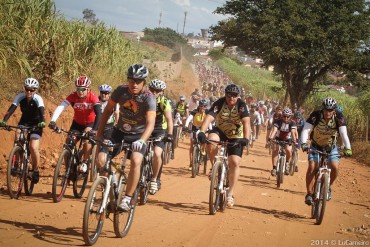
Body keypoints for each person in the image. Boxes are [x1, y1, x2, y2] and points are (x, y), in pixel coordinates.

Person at [96, 64, 156, 211]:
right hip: (119, 132)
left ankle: (127, 199)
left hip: (138, 135)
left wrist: (142, 140)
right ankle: (110, 189)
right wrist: (99, 133)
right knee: (101, 159)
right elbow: (107, 111)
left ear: (144, 82)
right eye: (131, 80)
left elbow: (150, 124)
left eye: (138, 81)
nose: (134, 84)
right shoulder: (121, 91)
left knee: (136, 160)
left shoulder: (149, 98)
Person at [197, 84, 251, 207]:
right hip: (220, 131)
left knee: (235, 162)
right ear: (225, 95)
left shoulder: (241, 105)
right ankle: (215, 168)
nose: (231, 98)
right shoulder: (219, 103)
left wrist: (246, 139)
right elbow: (209, 118)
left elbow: (246, 122)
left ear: (238, 96)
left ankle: (231, 194)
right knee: (211, 140)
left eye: (235, 95)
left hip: (236, 135)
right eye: (229, 95)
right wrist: (201, 131)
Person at [300, 97, 352, 205]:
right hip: (315, 146)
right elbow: (306, 129)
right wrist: (304, 143)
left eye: (330, 110)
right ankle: (309, 194)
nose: (327, 112)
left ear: (334, 110)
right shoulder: (316, 115)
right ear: (322, 109)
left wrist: (348, 148)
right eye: (325, 110)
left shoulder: (339, 117)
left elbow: (343, 134)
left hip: (331, 147)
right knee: (312, 167)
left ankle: (328, 187)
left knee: (334, 167)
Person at [49, 76, 101, 173]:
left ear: (88, 89)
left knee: (86, 140)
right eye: (78, 89)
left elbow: (99, 113)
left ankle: (85, 161)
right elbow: (61, 107)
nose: (80, 91)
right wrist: (53, 121)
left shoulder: (93, 97)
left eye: (83, 89)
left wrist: (94, 129)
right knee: (69, 143)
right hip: (77, 123)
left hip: (90, 123)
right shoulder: (73, 96)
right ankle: (68, 169)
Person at [0, 78, 45, 184]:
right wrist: (4, 121)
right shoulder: (20, 96)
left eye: (32, 90)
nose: (29, 92)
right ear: (24, 88)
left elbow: (42, 113)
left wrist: (42, 122)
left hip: (36, 124)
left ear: (35, 90)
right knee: (17, 136)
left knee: (33, 147)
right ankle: (16, 163)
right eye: (27, 89)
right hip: (24, 122)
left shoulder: (38, 99)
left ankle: (36, 170)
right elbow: (11, 109)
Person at [147, 79, 173, 195]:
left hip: (159, 129)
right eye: (152, 90)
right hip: (145, 127)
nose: (154, 93)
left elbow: (169, 119)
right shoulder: (144, 98)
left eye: (157, 91)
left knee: (157, 153)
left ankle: (154, 179)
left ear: (161, 92)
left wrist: (170, 134)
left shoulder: (164, 101)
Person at [268, 107, 298, 176]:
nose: (286, 118)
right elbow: (274, 130)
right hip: (278, 138)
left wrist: (294, 141)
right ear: (282, 116)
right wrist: (270, 138)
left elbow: (293, 132)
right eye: (284, 116)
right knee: (275, 149)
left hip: (288, 139)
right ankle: (274, 168)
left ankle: (287, 162)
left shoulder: (292, 123)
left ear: (290, 117)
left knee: (288, 149)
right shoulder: (278, 121)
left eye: (288, 117)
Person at [184, 99, 211, 170]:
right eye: (201, 106)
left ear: (206, 107)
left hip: (204, 129)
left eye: (204, 106)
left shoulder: (207, 112)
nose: (202, 108)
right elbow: (188, 119)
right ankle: (191, 162)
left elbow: (209, 121)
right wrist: (186, 126)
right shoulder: (194, 112)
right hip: (195, 129)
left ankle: (203, 149)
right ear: (199, 106)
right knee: (192, 143)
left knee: (207, 137)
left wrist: (210, 129)